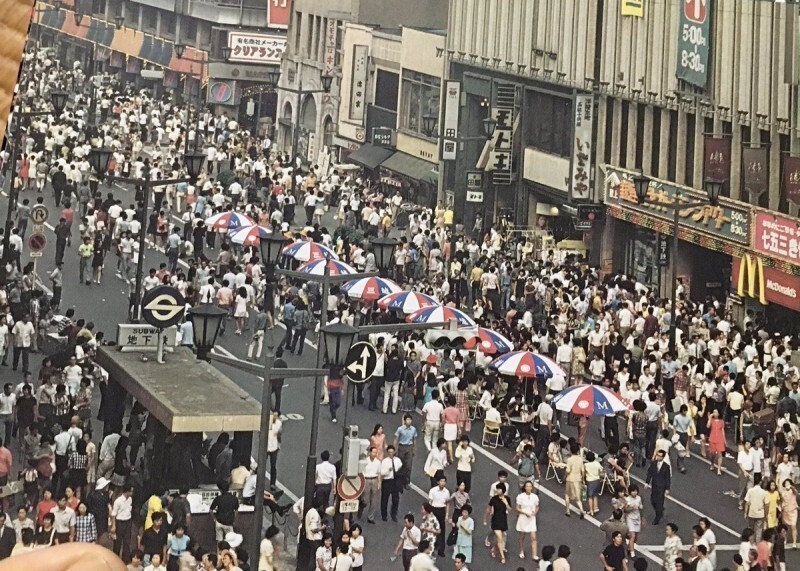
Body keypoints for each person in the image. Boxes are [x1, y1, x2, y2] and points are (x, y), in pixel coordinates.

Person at [515, 480, 539, 562]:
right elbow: (517, 508)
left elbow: (537, 507)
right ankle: (521, 550)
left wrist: (534, 512)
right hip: (523, 518)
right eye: (527, 486)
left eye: (530, 486)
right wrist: (524, 512)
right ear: (525, 487)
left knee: (533, 537)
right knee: (522, 536)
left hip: (532, 518)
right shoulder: (520, 496)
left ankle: (534, 554)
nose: (529, 488)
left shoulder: (535, 497)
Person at [645, 449, 671, 525]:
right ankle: (659, 510)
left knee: (659, 502)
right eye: (657, 455)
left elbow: (668, 478)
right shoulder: (653, 463)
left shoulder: (666, 466)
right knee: (653, 500)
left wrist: (667, 488)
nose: (658, 457)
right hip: (654, 485)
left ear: (663, 457)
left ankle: (658, 517)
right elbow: (649, 473)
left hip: (662, 487)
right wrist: (647, 482)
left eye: (660, 456)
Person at [487, 482, 511, 564]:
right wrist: (486, 518)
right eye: (497, 489)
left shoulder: (507, 498)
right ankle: (502, 556)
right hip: (495, 520)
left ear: (503, 490)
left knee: (498, 538)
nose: (497, 490)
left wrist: (506, 503)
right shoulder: (493, 499)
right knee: (500, 538)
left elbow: (510, 510)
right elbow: (489, 508)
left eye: (499, 489)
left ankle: (494, 549)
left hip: (503, 520)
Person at [381, 446, 402, 522]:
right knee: (384, 499)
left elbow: (401, 469)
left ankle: (394, 514)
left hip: (395, 481)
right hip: (387, 481)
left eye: (392, 452)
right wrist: (388, 470)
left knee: (396, 499)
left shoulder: (398, 460)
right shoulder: (384, 461)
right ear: (387, 453)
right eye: (389, 452)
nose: (391, 454)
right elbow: (382, 473)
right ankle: (384, 515)